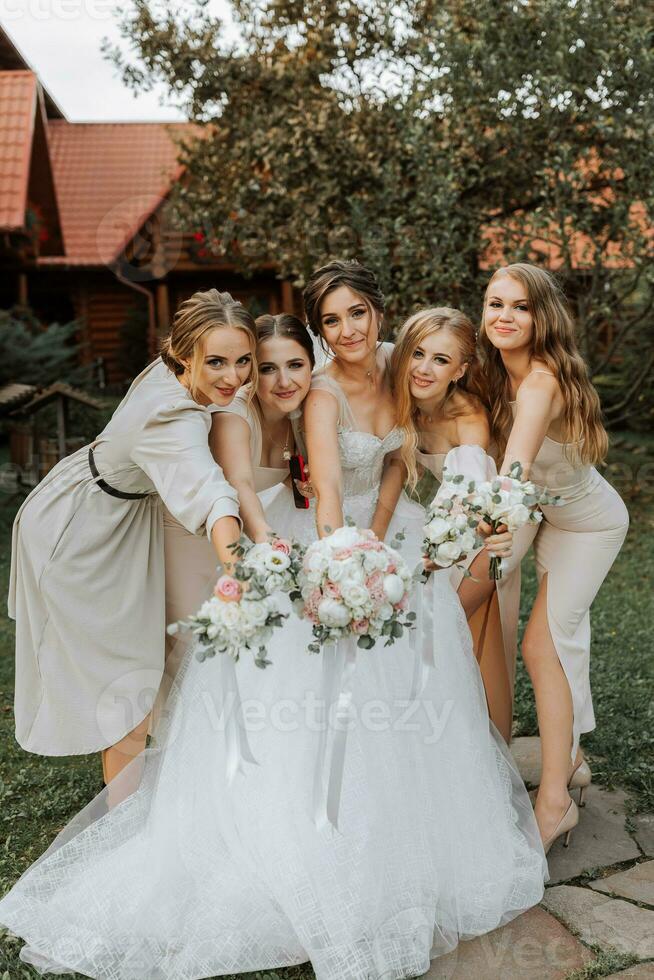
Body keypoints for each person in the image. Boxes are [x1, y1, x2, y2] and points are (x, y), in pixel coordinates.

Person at [0, 262, 547, 980]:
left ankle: (388, 831)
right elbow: (246, 496)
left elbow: (393, 452)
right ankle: (223, 827)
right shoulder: (249, 405)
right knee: (179, 684)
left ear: (379, 318)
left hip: (334, 531)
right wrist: (328, 559)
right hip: (207, 531)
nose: (344, 333)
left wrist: (379, 530)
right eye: (331, 322)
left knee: (405, 682)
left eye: (355, 317)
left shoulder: (393, 365)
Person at [8, 287, 254, 785]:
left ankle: (128, 797)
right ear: (185, 357)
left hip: (118, 513)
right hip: (80, 529)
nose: (235, 377)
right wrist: (239, 569)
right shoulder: (171, 419)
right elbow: (212, 496)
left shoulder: (175, 367)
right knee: (125, 687)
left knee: (134, 675)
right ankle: (121, 823)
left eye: (245, 361)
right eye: (219, 364)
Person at [480, 262, 629, 851]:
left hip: (589, 525)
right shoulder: (495, 372)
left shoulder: (541, 380)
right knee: (541, 632)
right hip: (546, 516)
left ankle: (554, 801)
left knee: (542, 644)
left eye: (519, 306)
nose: (505, 316)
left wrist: (498, 507)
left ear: (542, 316)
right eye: (495, 304)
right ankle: (571, 760)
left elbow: (515, 466)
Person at [154, 313, 315, 726]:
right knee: (191, 649)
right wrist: (266, 542)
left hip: (244, 533)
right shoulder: (234, 416)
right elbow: (241, 483)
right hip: (196, 536)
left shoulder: (303, 414)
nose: (284, 381)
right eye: (267, 368)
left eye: (295, 366)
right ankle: (170, 752)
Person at [390, 307, 525, 744]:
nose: (424, 369)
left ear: (461, 370)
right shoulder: (399, 399)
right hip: (439, 524)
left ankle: (495, 756)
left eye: (441, 360)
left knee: (481, 635)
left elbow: (470, 499)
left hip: (490, 527)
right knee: (449, 638)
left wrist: (442, 560)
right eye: (418, 353)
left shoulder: (467, 418)